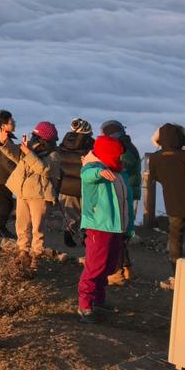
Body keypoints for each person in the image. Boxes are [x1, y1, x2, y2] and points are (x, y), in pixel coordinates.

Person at [78, 135, 134, 321]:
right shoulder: (93, 168)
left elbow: (126, 201)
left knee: (109, 266)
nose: (120, 159)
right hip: (98, 226)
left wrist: (128, 227)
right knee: (95, 266)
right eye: (117, 155)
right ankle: (85, 305)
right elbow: (86, 175)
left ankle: (98, 298)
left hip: (117, 228)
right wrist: (99, 173)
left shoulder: (120, 172)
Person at [0, 121, 61, 272]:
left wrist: (28, 153)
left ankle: (36, 255)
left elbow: (44, 169)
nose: (33, 138)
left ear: (44, 139)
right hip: (23, 192)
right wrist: (4, 143)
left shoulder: (54, 154)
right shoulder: (32, 148)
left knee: (37, 227)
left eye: (36, 136)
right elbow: (17, 157)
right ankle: (23, 252)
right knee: (22, 225)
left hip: (39, 195)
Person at [148, 124, 185, 290]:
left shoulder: (156, 157)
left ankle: (176, 276)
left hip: (174, 203)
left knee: (175, 240)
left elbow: (154, 177)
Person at [100, 120, 141, 283]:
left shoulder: (123, 149)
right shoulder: (128, 146)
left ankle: (117, 271)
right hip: (126, 192)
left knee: (117, 233)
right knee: (120, 233)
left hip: (123, 193)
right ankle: (126, 268)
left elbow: (119, 166)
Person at [57, 118, 94, 247]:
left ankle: (68, 234)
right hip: (86, 184)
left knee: (70, 212)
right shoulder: (90, 146)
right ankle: (86, 238)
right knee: (88, 212)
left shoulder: (64, 144)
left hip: (66, 184)